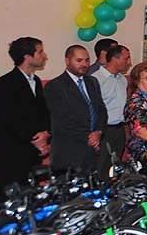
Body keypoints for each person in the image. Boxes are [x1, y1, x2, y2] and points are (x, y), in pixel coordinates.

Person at [0, 37, 50, 193]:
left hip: (32, 154)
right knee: (9, 201)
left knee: (33, 198)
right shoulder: (4, 85)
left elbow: (42, 112)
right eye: (40, 52)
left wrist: (45, 134)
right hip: (11, 155)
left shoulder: (36, 81)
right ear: (27, 56)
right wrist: (35, 139)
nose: (45, 56)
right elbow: (11, 119)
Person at [44, 45, 108, 173]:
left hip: (91, 151)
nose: (84, 64)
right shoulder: (55, 86)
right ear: (67, 61)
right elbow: (62, 119)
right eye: (79, 60)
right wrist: (88, 137)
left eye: (87, 60)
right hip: (68, 151)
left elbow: (101, 110)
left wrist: (98, 132)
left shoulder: (92, 82)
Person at [92, 43, 130, 175]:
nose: (129, 63)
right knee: (101, 167)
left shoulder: (122, 80)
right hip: (103, 131)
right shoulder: (95, 79)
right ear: (115, 59)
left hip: (119, 130)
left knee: (115, 168)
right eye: (126, 59)